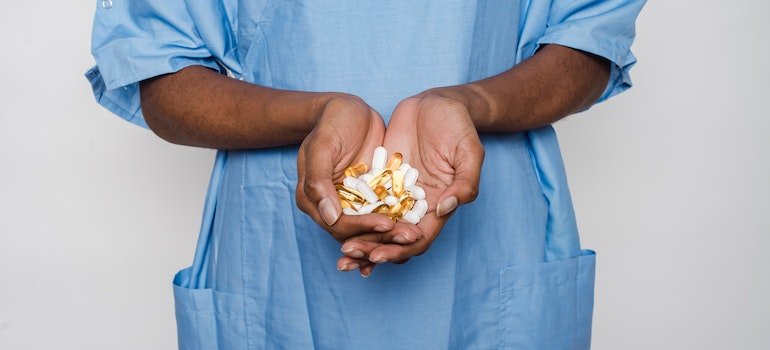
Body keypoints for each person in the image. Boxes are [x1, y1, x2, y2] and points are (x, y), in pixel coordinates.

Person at [86, 1, 645, 348]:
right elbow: (158, 75)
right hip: (273, 246)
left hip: (493, 234)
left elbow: (588, 40)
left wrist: (472, 102)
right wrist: (314, 113)